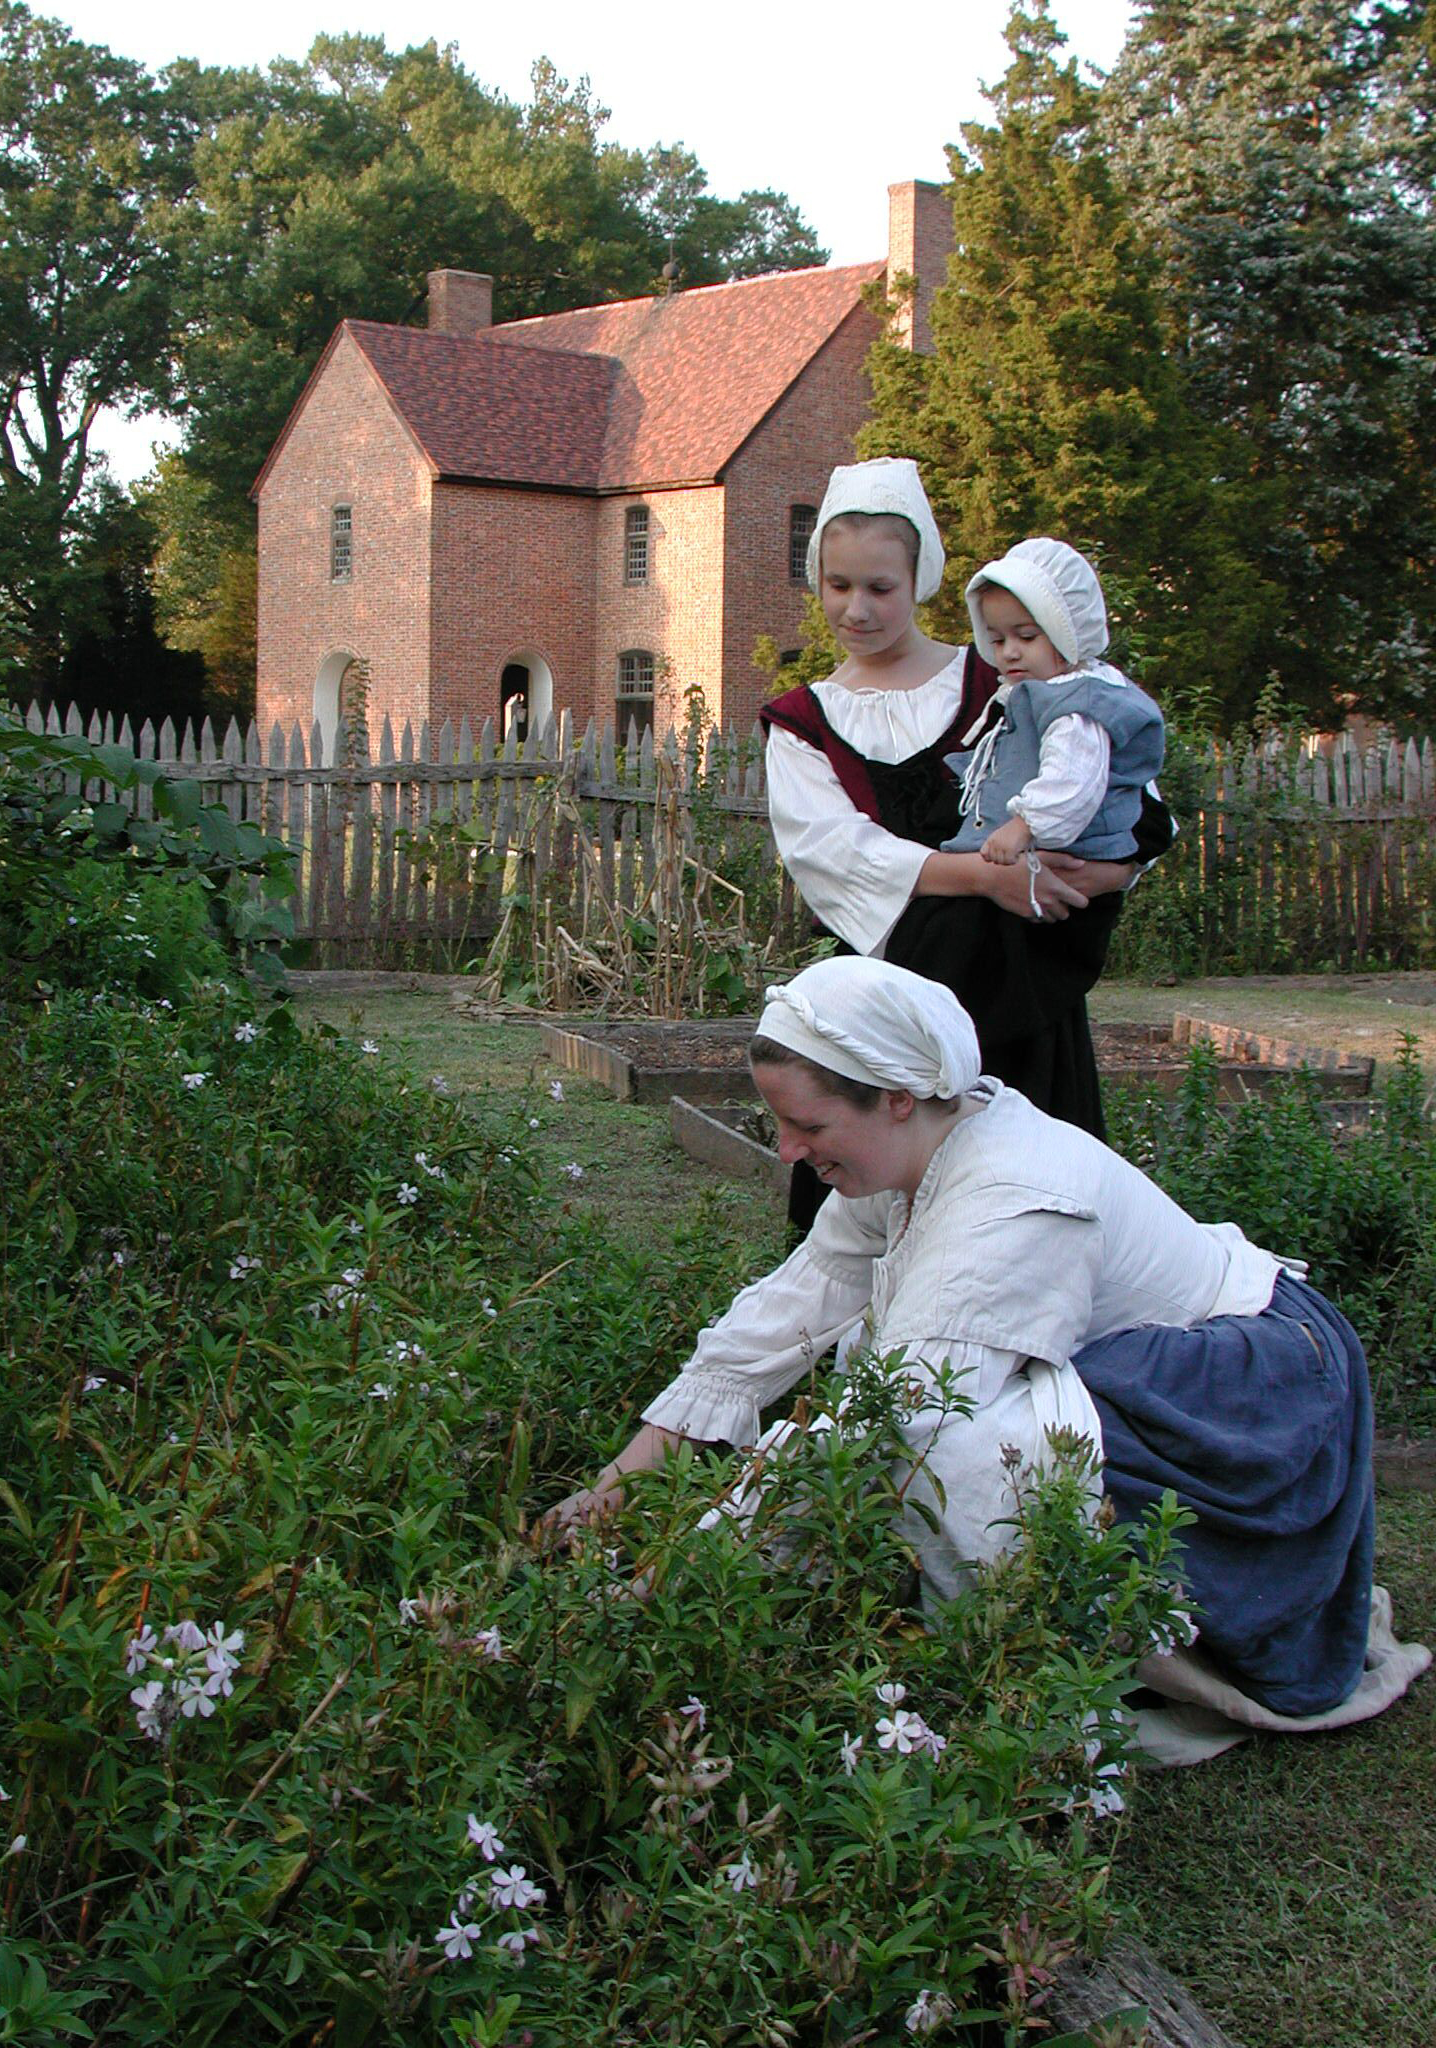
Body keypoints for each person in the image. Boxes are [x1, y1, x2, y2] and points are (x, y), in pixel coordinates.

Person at [546, 957, 1429, 1762]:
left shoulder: (1012, 1200)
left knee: (980, 1454)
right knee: (958, 1430)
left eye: (803, 1122)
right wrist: (613, 1487)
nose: (786, 1150)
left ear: (897, 1095)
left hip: (1257, 1382)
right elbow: (781, 1318)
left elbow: (894, 1422)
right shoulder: (907, 1160)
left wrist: (669, 1590)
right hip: (1164, 1358)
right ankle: (1019, 1637)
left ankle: (1044, 1686)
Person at [760, 459, 1172, 1162]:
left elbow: (1129, 795)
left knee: (1027, 1190)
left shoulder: (1009, 676)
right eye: (839, 585)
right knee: (886, 1204)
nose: (857, 609)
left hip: (1023, 986)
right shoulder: (805, 722)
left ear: (920, 580)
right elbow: (836, 852)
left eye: (880, 587)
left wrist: (1104, 876)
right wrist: (985, 877)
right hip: (891, 995)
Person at [941, 538, 1165, 876]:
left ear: (1068, 633)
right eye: (998, 640)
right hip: (1027, 862)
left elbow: (1071, 781)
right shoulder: (1030, 695)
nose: (1010, 652)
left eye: (1027, 637)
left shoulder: (1077, 707)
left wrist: (1023, 827)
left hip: (1068, 866)